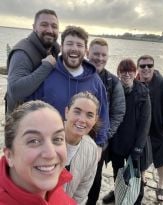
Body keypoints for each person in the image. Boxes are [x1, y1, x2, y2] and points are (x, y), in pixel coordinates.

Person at [27, 25, 109, 160]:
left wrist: (99, 145)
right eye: (69, 43)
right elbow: (30, 109)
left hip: (81, 150)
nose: (74, 48)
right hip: (47, 148)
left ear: (85, 50)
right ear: (62, 46)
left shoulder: (95, 81)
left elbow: (103, 115)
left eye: (79, 45)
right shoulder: (47, 74)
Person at [0, 100, 76, 205]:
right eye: (34, 141)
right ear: (9, 156)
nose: (51, 154)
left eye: (57, 139)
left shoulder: (54, 189)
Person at [102, 59, 151, 204]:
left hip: (135, 142)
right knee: (117, 172)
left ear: (135, 72)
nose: (127, 74)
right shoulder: (113, 89)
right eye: (123, 71)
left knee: (136, 176)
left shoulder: (143, 92)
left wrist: (138, 147)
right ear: (118, 73)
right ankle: (119, 194)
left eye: (130, 71)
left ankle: (135, 200)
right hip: (117, 141)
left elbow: (145, 123)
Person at [85, 38, 126, 205]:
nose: (99, 58)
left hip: (97, 141)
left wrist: (105, 137)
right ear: (88, 53)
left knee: (95, 176)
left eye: (103, 55)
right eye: (96, 54)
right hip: (71, 137)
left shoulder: (113, 82)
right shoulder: (76, 74)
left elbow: (118, 112)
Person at [137, 55, 163, 202]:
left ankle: (160, 186)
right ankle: (142, 179)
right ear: (138, 68)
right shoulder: (135, 83)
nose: (146, 68)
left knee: (162, 160)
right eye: (143, 66)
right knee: (140, 157)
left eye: (149, 65)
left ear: (153, 67)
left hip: (161, 130)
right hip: (143, 131)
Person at [6, 9, 59, 113]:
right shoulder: (22, 53)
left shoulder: (54, 50)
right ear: (34, 27)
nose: (50, 30)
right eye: (44, 25)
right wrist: (46, 67)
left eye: (54, 26)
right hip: (21, 122)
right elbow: (15, 90)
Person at [63, 92, 99, 204]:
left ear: (95, 119)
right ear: (67, 112)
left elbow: (81, 191)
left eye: (89, 115)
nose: (82, 120)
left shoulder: (91, 149)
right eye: (77, 112)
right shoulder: (47, 137)